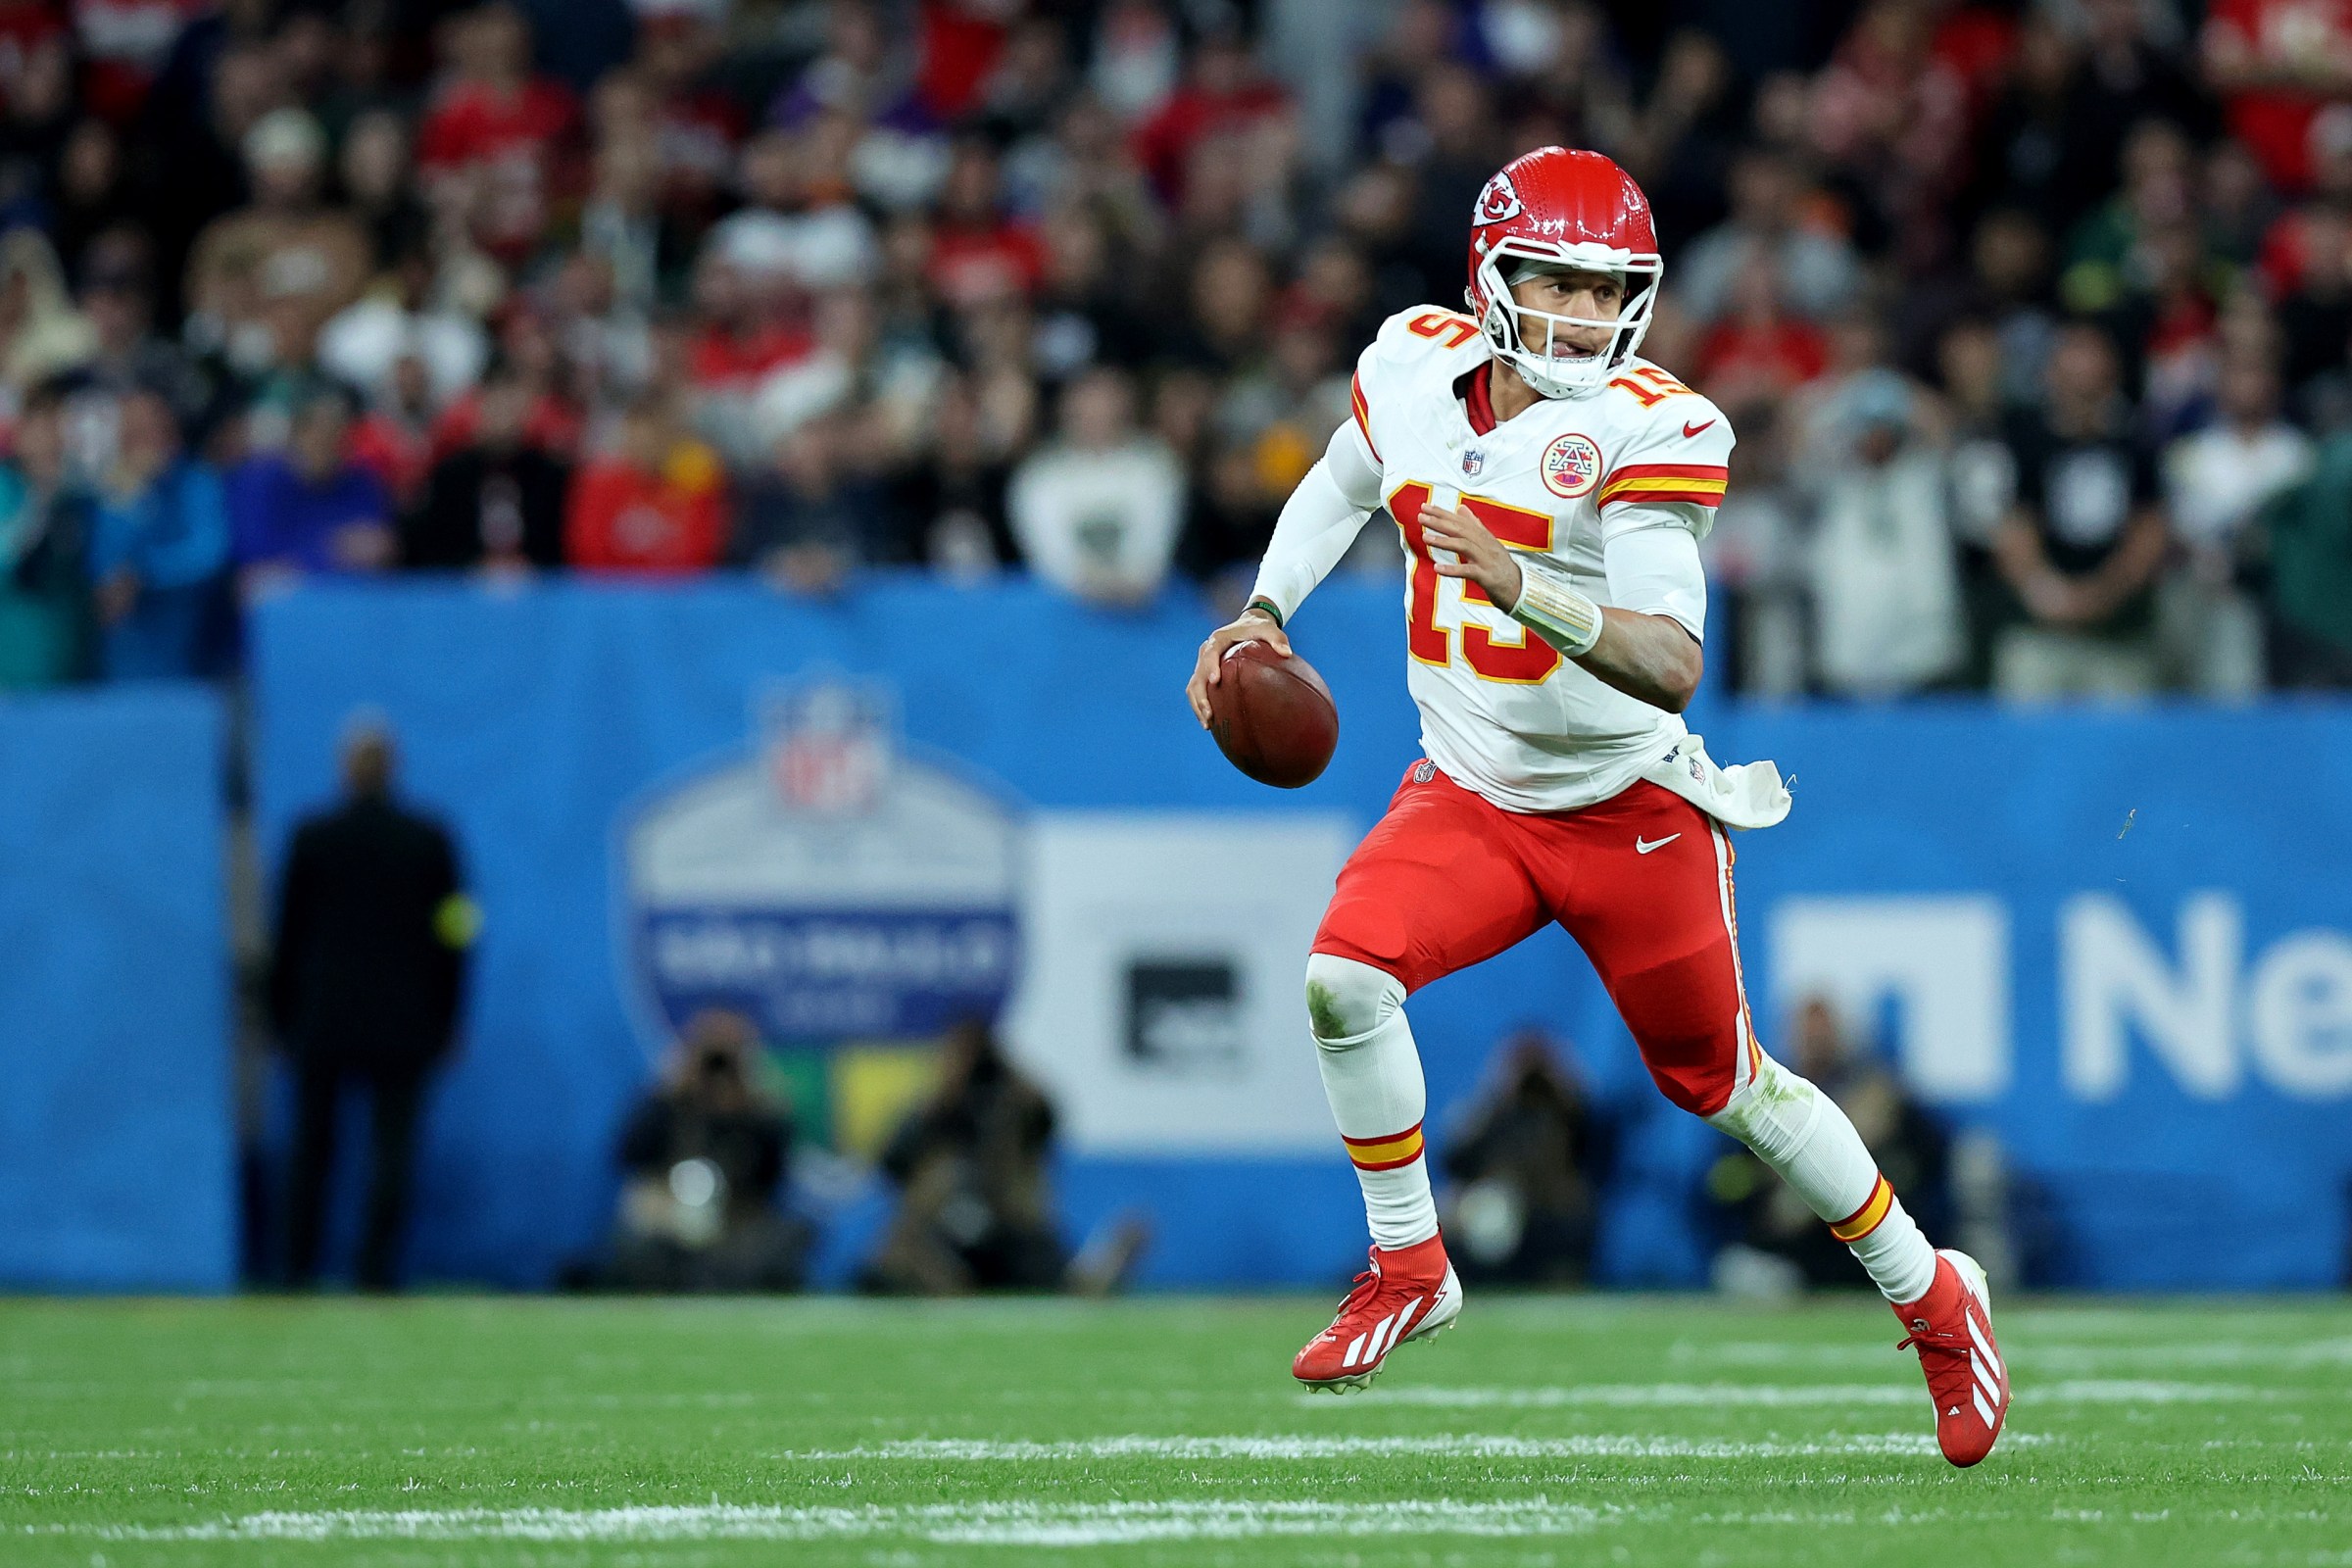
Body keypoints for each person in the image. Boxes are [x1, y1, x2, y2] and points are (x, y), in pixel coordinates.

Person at [1184, 147, 2010, 1468]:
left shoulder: (1651, 422)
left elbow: (1672, 661)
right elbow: (1347, 476)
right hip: (1469, 792)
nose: (1574, 315)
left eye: (1599, 288)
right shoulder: (1410, 365)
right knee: (1343, 979)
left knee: (1728, 1086)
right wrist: (1265, 611)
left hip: (1627, 808)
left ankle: (1933, 1295)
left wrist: (1521, 584)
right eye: (1549, 283)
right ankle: (1411, 1265)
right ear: (1488, 275)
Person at [270, 720, 474, 1292]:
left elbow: (285, 935)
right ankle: (375, 1274)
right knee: (391, 1154)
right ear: (394, 767)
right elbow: (457, 932)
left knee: (314, 1151)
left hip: (324, 1018)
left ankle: (297, 1271)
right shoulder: (427, 839)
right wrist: (450, 1012)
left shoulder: (314, 837)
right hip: (402, 1022)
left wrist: (279, 1017)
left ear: (345, 769)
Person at [1705, 998, 1953, 1297]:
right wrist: (1786, 1179)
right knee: (1739, 1269)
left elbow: (1933, 1157)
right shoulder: (1764, 1097)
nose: (1815, 1042)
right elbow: (1726, 1186)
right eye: (1807, 1034)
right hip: (1790, 1258)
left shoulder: (1877, 1091)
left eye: (1823, 1033)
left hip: (1866, 1253)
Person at [590, 1010, 809, 1293]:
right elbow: (628, 1154)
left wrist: (754, 1104)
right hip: (667, 1215)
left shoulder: (759, 1114)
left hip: (735, 1219)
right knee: (637, 1235)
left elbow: (774, 1175)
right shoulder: (668, 1103)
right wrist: (670, 1090)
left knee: (781, 1241)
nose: (717, 1071)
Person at [1439, 1030, 1615, 1287]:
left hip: (1549, 1211)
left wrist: (1565, 1087)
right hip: (1499, 1205)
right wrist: (1491, 1100)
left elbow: (1599, 1148)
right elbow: (1453, 1161)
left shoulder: (1567, 1115)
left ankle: (1560, 1281)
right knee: (1480, 1210)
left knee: (1572, 1212)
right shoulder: (1497, 1115)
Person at [226, 384, 397, 592]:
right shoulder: (258, 481)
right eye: (320, 432)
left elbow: (377, 546)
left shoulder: (361, 481)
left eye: (340, 434)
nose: (330, 443)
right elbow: (253, 557)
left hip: (347, 596)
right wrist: (330, 551)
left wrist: (302, 561)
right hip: (280, 601)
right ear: (296, 433)